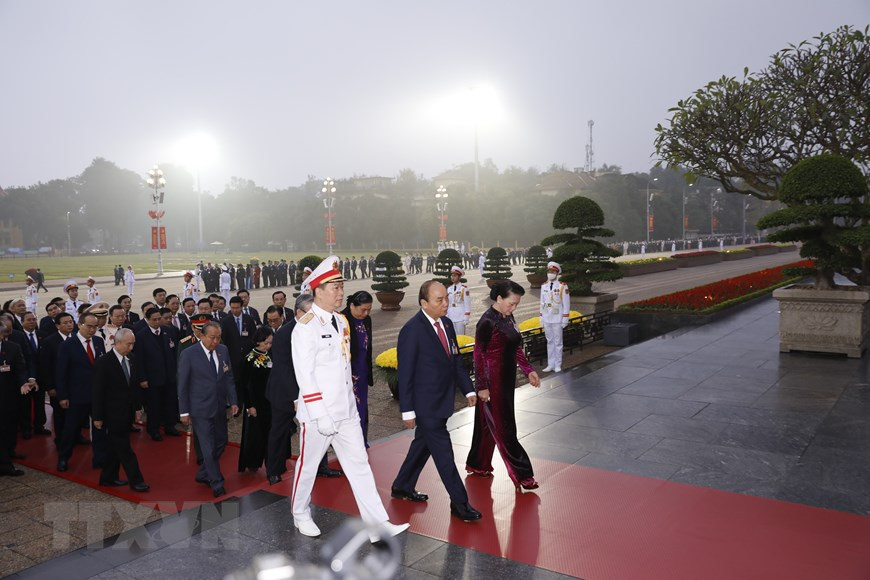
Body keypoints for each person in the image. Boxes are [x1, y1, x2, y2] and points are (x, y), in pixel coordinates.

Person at [290, 257, 408, 540]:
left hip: (345, 410)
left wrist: (352, 406)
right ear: (318, 291)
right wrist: (320, 414)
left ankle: (377, 525)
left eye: (341, 286)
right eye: (335, 287)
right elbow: (305, 375)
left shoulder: (341, 321)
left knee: (359, 466)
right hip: (319, 415)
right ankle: (300, 513)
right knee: (308, 466)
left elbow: (343, 367)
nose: (341, 292)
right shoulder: (305, 327)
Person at [391, 280, 481, 522]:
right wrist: (407, 410)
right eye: (439, 300)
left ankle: (402, 485)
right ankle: (460, 503)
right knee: (444, 455)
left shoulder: (447, 324)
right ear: (424, 303)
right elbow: (405, 373)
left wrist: (468, 390)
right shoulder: (412, 330)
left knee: (422, 445)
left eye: (446, 299)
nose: (445, 304)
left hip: (443, 400)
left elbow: (455, 361)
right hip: (425, 405)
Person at [465, 281, 542, 489]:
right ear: (499, 299)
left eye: (517, 304)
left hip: (506, 379)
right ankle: (523, 473)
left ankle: (478, 463)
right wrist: (482, 386)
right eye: (511, 303)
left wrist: (528, 369)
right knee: (505, 426)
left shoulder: (508, 317)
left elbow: (515, 347)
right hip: (492, 381)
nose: (513, 308)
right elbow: (478, 355)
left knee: (485, 423)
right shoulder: (487, 321)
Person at [178, 321, 239, 497]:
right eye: (212, 338)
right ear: (202, 336)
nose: (215, 341)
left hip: (219, 405)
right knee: (208, 446)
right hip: (200, 408)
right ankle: (216, 482)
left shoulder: (223, 350)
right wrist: (184, 411)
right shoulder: (189, 354)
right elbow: (182, 384)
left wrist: (233, 401)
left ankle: (204, 473)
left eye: (218, 338)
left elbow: (228, 377)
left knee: (221, 442)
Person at [92, 328, 149, 492]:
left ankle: (107, 478)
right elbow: (97, 391)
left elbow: (134, 386)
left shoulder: (132, 359)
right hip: (112, 413)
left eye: (133, 344)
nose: (131, 348)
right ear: (117, 343)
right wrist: (97, 416)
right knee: (124, 448)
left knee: (113, 446)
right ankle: (136, 480)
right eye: (128, 344)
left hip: (127, 411)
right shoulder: (104, 362)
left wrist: (137, 407)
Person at [56, 312, 107, 472]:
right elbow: (61, 372)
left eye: (95, 327)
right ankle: (63, 458)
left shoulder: (98, 341)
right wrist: (63, 396)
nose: (92, 330)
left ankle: (99, 458)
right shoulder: (67, 345)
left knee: (99, 427)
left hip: (97, 395)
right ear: (79, 325)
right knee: (71, 429)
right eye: (89, 326)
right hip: (77, 395)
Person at [134, 307, 180, 440]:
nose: (157, 322)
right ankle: (153, 430)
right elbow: (139, 359)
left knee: (170, 403)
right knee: (154, 406)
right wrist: (142, 378)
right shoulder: (141, 336)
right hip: (152, 378)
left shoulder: (169, 331)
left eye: (159, 319)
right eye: (154, 320)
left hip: (169, 375)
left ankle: (170, 426)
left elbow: (175, 352)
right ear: (148, 320)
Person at [238, 325, 274, 473]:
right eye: (266, 343)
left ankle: (271, 461)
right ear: (258, 341)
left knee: (270, 433)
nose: (268, 346)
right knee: (255, 435)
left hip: (269, 402)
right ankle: (252, 463)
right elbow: (245, 384)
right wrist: (249, 405)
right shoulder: (250, 358)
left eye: (270, 343)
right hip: (255, 403)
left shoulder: (271, 356)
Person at [341, 291, 374, 447]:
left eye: (369, 310)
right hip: (349, 373)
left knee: (362, 407)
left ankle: (362, 440)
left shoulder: (366, 320)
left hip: (362, 371)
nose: (366, 313)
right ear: (352, 305)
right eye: (363, 310)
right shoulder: (341, 320)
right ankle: (350, 444)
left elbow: (368, 347)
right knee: (350, 409)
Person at [0, 324, 32, 476]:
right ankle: (5, 464)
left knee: (9, 428)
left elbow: (21, 369)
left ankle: (9, 452)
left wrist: (23, 383)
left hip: (9, 397)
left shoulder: (12, 348)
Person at [540, 261, 570, 373]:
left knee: (558, 342)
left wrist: (565, 319)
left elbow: (566, 303)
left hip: (558, 318)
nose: (550, 274)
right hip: (547, 318)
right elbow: (542, 303)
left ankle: (558, 364)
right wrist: (541, 318)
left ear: (557, 273)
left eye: (553, 272)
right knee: (549, 342)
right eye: (549, 272)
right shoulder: (544, 286)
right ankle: (550, 364)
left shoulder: (562, 286)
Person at [446, 266, 471, 336]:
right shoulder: (449, 289)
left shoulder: (464, 289)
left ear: (459, 277)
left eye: (455, 276)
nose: (452, 278)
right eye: (452, 276)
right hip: (451, 315)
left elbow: (467, 303)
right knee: (452, 336)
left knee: (460, 336)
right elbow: (448, 303)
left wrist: (466, 317)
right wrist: (446, 314)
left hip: (460, 316)